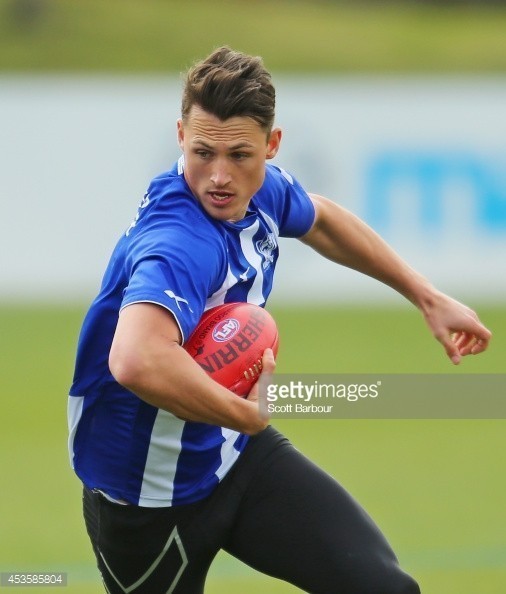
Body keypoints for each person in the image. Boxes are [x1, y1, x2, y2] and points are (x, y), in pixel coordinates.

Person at [68, 46, 491, 594]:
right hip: (144, 498)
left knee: (384, 588)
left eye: (240, 155)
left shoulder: (259, 189)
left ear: (272, 145)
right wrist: (243, 414)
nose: (219, 177)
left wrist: (427, 295)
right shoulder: (179, 242)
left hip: (234, 461)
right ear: (180, 136)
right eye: (202, 152)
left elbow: (322, 220)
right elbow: (136, 359)